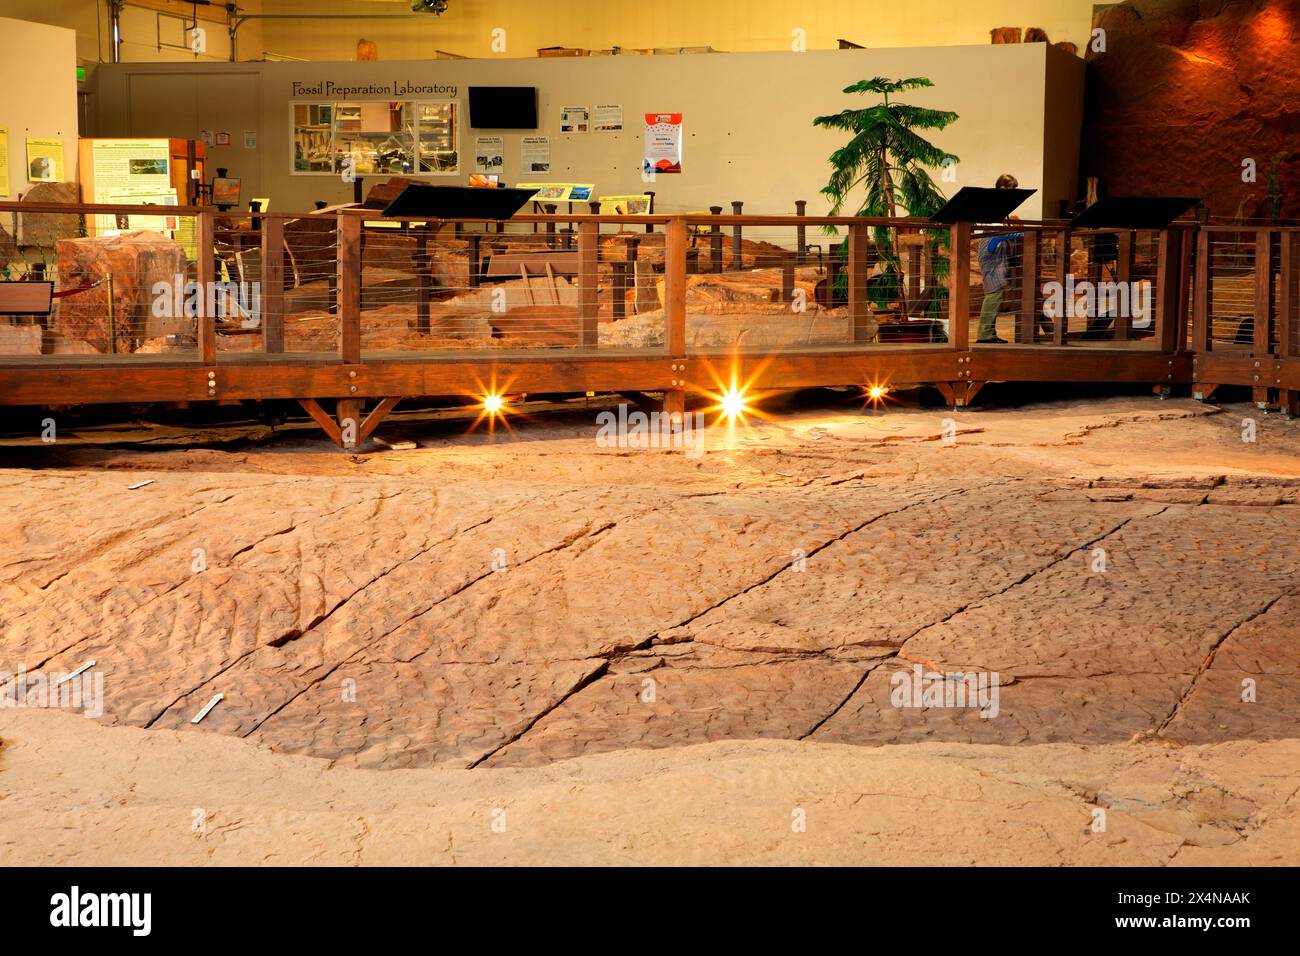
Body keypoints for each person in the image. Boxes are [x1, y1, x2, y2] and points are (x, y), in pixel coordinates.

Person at [976, 174, 1022, 344]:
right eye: (1011, 188)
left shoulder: (1004, 209)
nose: (1014, 192)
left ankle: (989, 333)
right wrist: (1010, 235)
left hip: (998, 253)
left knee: (997, 294)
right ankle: (985, 334)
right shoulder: (993, 207)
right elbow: (992, 237)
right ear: (1002, 188)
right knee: (993, 294)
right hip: (991, 253)